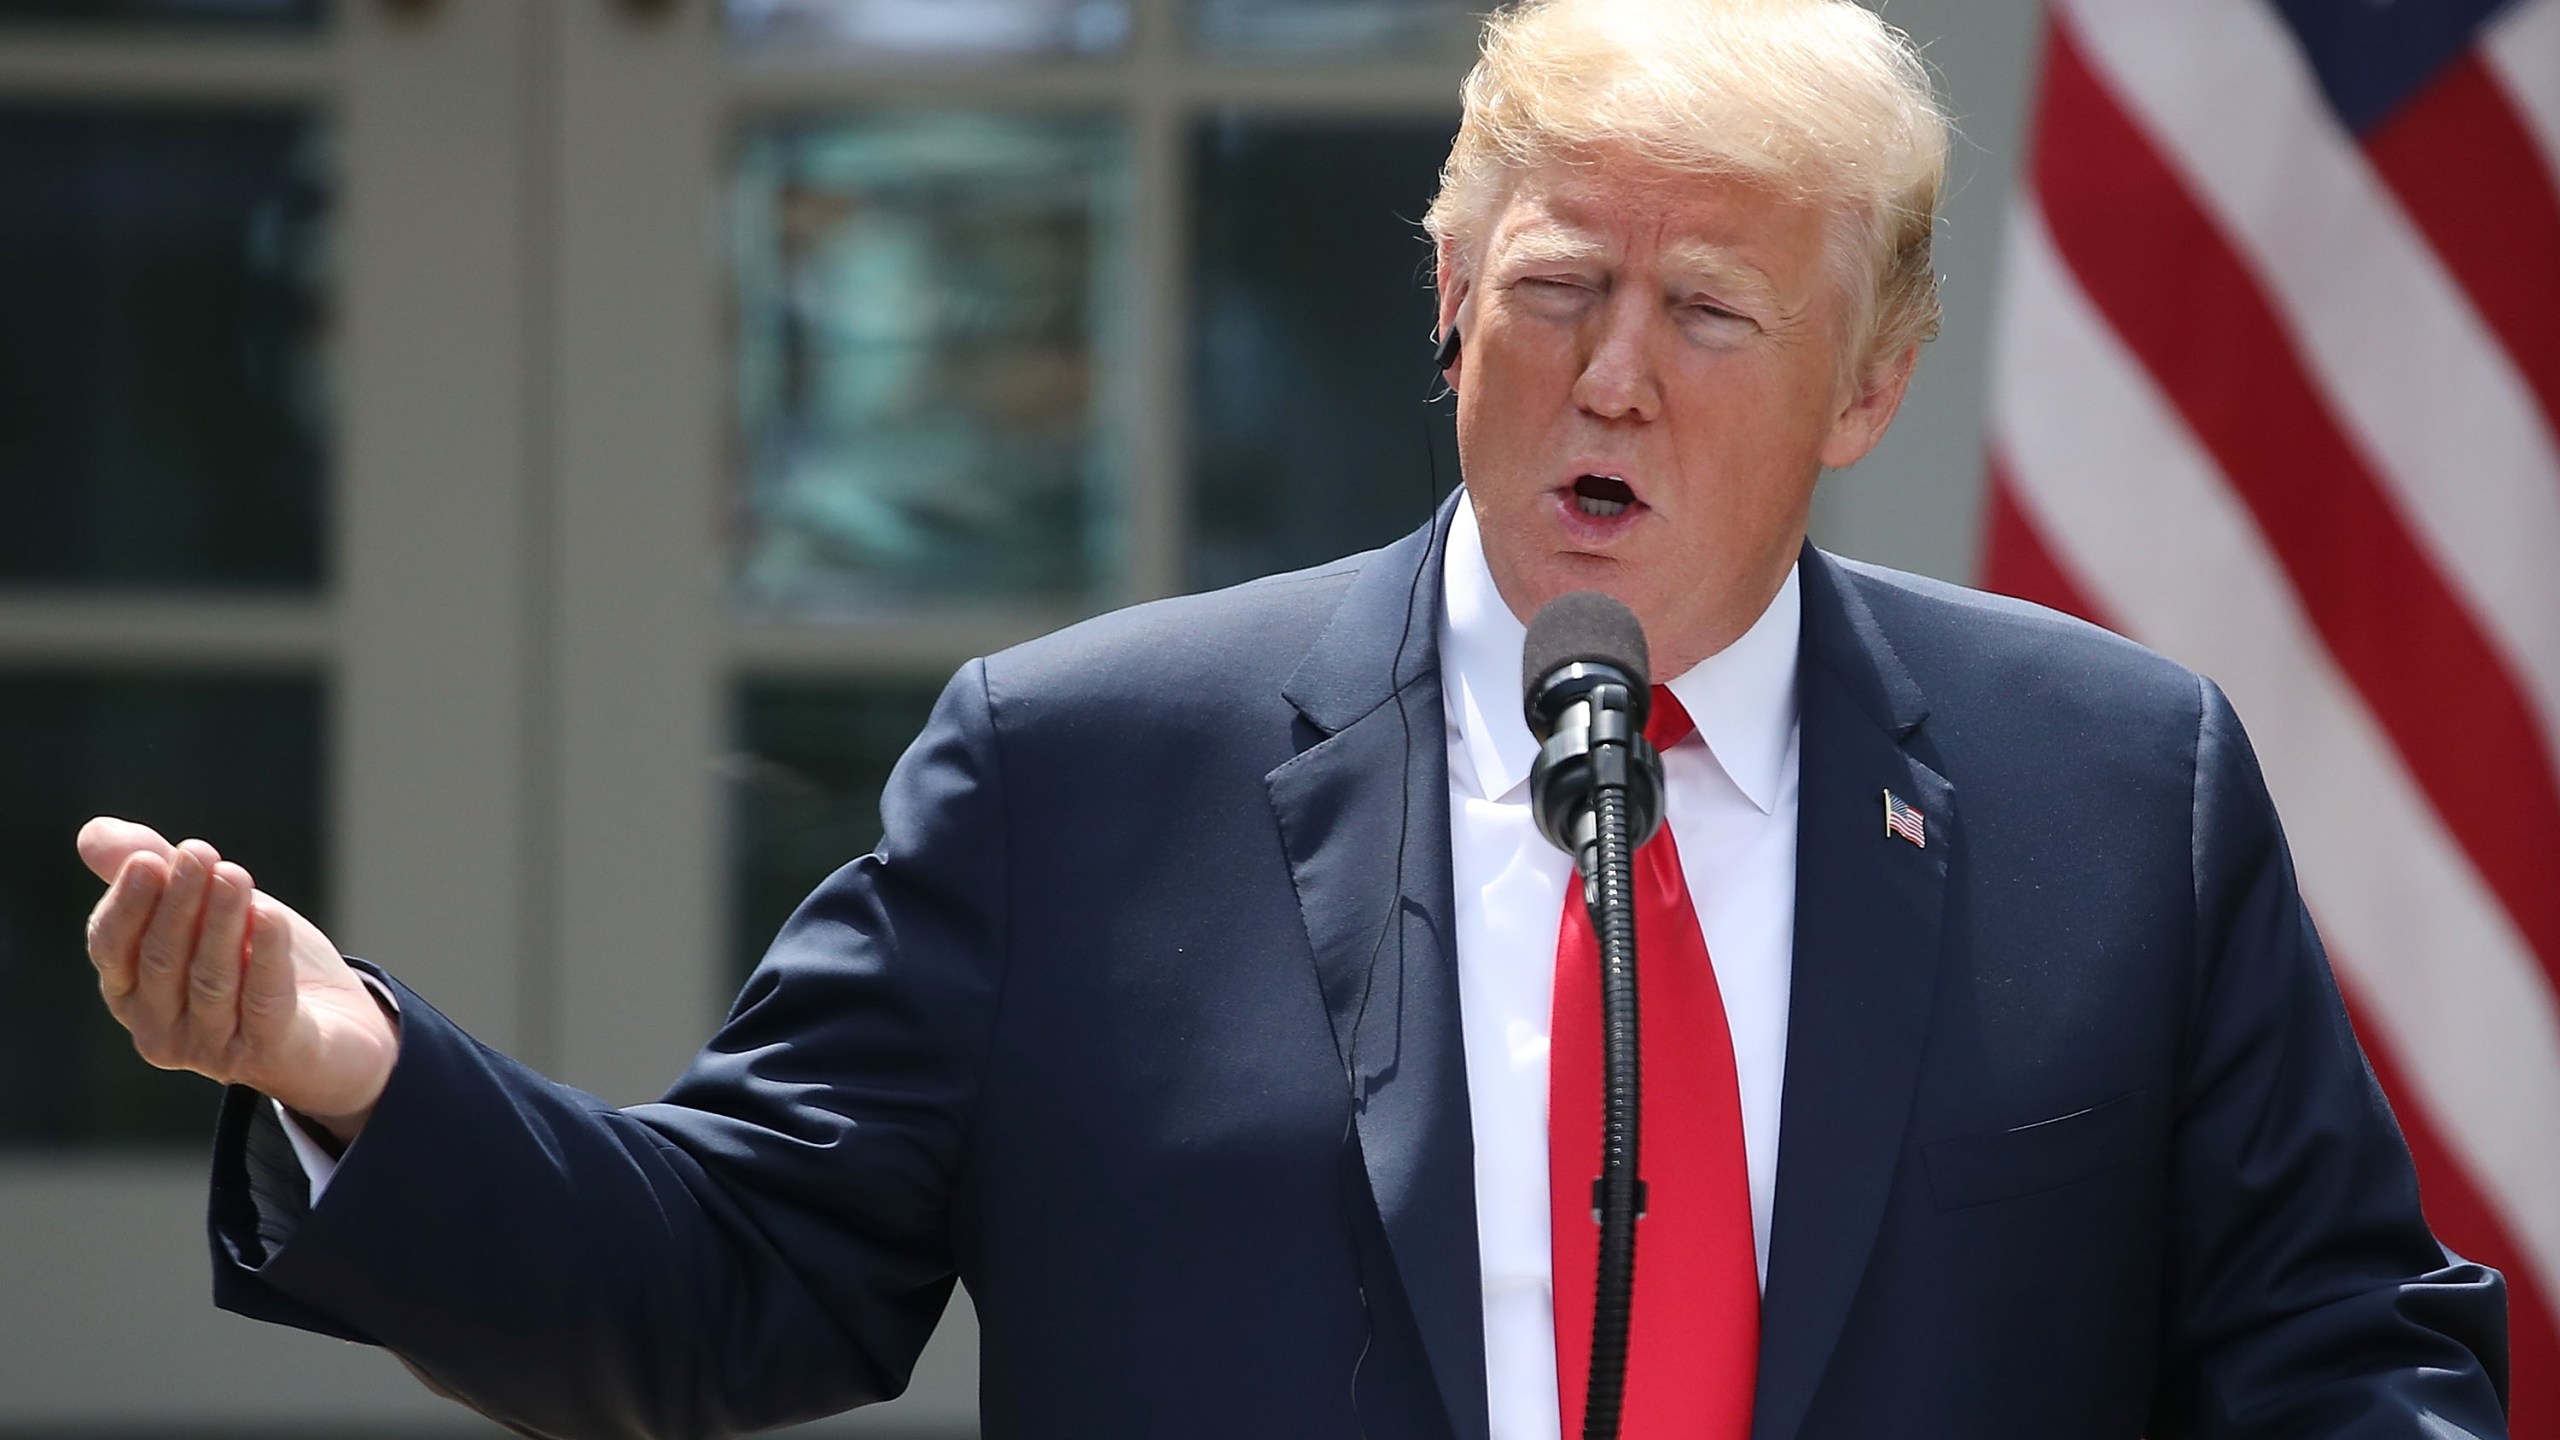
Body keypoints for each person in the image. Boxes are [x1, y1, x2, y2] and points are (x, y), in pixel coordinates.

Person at [76, 1, 2507, 1437]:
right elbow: (734, 1275)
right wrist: (353, 1069)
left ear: (1869, 380)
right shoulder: (1085, 768)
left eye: (1711, 319)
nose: (1614, 378)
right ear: (1444, 299)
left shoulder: (2115, 782)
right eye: (1555, 287)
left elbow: (2331, 1338)